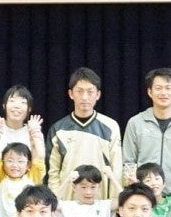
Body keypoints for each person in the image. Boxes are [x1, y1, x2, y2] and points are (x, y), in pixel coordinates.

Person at [122, 67, 171, 194]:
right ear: (150, 92)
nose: (163, 93)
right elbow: (128, 161)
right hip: (144, 195)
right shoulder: (135, 123)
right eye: (158, 88)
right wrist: (137, 187)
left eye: (168, 88)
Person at [47, 67, 123, 202]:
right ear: (71, 94)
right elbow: (52, 173)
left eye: (90, 92)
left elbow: (116, 169)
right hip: (67, 204)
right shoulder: (58, 129)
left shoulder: (111, 126)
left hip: (100, 203)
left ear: (98, 94)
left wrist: (114, 203)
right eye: (79, 91)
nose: (84, 97)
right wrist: (54, 204)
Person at [0, 85, 38, 215]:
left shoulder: (33, 133)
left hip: (25, 208)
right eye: (12, 101)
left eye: (23, 102)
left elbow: (37, 172)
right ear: (4, 105)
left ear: (29, 109)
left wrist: (37, 138)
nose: (17, 106)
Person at [0, 136, 47, 217]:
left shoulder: (33, 178)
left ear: (28, 165)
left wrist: (35, 137)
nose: (15, 165)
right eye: (10, 161)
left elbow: (40, 157)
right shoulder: (1, 178)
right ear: (3, 164)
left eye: (20, 161)